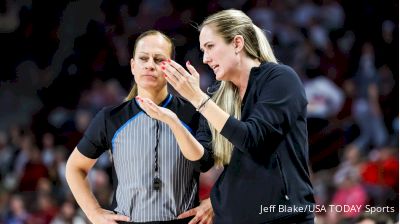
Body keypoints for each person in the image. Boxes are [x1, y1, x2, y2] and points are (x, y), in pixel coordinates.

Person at [139, 9, 315, 224]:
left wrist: (198, 100)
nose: (205, 59)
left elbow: (252, 139)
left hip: (283, 217)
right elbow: (203, 160)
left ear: (237, 43)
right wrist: (173, 122)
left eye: (210, 47)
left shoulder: (280, 79)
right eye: (203, 50)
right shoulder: (215, 94)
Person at [65, 30, 214, 224]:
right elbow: (75, 167)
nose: (150, 65)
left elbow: (222, 164)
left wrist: (213, 201)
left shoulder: (194, 113)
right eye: (143, 58)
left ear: (171, 67)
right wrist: (94, 213)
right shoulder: (110, 118)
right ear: (133, 66)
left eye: (159, 59)